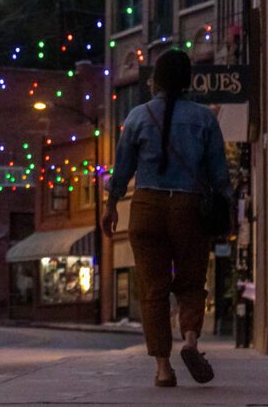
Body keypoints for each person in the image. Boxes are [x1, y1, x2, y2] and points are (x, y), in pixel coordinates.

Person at [101, 49, 230, 388]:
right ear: (189, 81)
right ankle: (189, 341)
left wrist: (111, 204)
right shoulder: (204, 118)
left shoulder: (137, 116)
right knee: (190, 282)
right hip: (188, 208)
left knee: (153, 289)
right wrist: (224, 209)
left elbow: (123, 169)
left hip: (146, 207)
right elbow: (220, 175)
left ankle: (162, 368)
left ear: (154, 80)